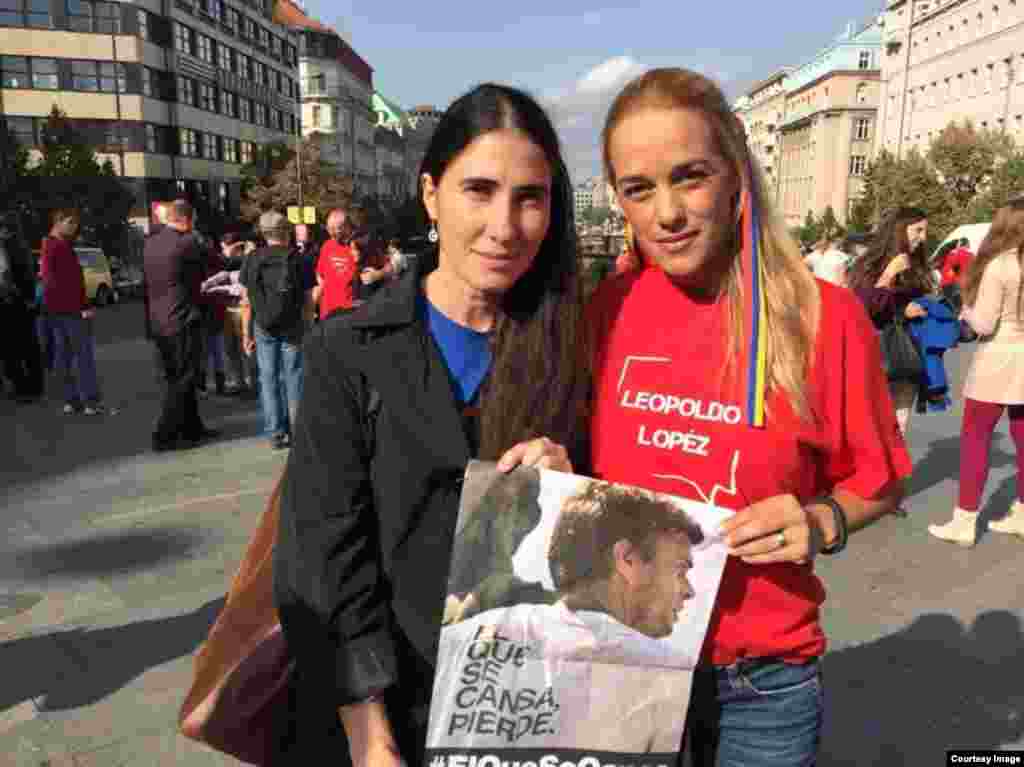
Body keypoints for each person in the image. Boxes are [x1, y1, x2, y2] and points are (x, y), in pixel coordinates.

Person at [589, 68, 910, 767]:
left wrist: (820, 520)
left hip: (761, 681)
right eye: (639, 189)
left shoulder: (825, 317)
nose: (667, 213)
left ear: (735, 173)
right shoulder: (604, 312)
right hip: (627, 657)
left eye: (690, 177)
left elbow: (881, 481)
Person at [272, 82, 591, 765]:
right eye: (479, 189)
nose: (504, 225)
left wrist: (573, 491)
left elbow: (601, 559)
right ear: (430, 194)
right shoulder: (349, 349)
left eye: (529, 197)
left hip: (517, 710)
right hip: (384, 715)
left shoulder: (571, 350)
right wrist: (370, 735)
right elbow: (322, 556)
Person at [427, 482, 701, 755]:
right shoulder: (668, 675)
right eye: (680, 571)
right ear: (627, 559)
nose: (689, 591)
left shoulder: (456, 639)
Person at [929, 198, 1024, 546]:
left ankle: (964, 521)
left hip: (998, 357)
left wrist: (964, 310)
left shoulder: (1000, 265)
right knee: (1022, 438)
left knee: (975, 439)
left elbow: (984, 323)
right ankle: (1022, 515)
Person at [848, 206, 935, 437]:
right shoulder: (869, 265)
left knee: (897, 430)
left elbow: (916, 302)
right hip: (872, 358)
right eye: (918, 230)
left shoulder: (916, 264)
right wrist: (889, 274)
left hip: (906, 359)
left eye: (925, 231)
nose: (923, 238)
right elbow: (862, 308)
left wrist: (922, 309)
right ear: (899, 230)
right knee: (868, 431)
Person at [144, 198, 218, 452]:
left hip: (159, 320)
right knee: (183, 378)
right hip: (182, 318)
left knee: (178, 376)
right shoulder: (187, 243)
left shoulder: (151, 242)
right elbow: (214, 262)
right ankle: (164, 435)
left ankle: (192, 428)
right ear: (187, 219)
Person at [239, 210, 316, 450]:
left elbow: (246, 301)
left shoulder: (252, 259)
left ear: (264, 233)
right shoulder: (299, 259)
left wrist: (245, 333)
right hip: (293, 325)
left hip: (263, 325)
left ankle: (275, 432)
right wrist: (309, 326)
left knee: (268, 378)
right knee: (294, 376)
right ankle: (297, 429)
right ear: (286, 232)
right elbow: (308, 300)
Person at [40, 208, 106, 416]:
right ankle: (90, 401)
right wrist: (83, 307)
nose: (74, 227)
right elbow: (67, 283)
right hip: (72, 311)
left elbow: (52, 281)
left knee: (64, 356)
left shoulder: (51, 246)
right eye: (70, 222)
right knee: (83, 355)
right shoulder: (58, 247)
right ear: (58, 222)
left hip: (58, 310)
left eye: (76, 223)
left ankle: (72, 400)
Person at [0, 214, 44, 402]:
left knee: (16, 347)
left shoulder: (10, 247)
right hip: (24, 302)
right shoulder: (21, 246)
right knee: (28, 346)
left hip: (15, 303)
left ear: (7, 229)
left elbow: (12, 276)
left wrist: (15, 293)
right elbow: (29, 275)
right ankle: (32, 386)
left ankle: (25, 388)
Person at [314, 207, 356, 319]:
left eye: (336, 229)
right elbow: (320, 276)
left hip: (349, 312)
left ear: (346, 227)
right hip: (327, 312)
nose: (331, 233)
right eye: (329, 229)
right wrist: (314, 302)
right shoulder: (327, 246)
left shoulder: (357, 247)